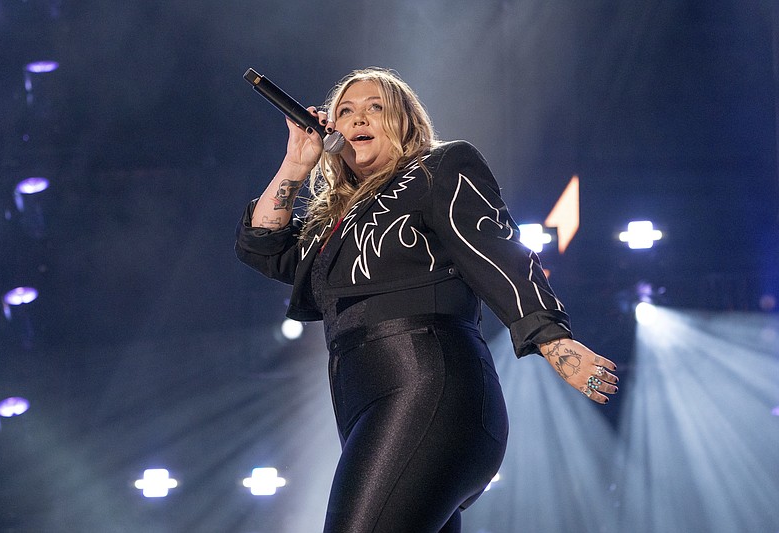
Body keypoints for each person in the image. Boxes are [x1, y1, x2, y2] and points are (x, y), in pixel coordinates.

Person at [235, 67, 618, 533]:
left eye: (375, 107)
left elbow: (497, 250)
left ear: (405, 121)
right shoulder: (332, 223)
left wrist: (552, 339)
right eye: (345, 112)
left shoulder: (439, 168)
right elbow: (262, 247)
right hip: (361, 400)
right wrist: (296, 164)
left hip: (429, 384)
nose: (358, 118)